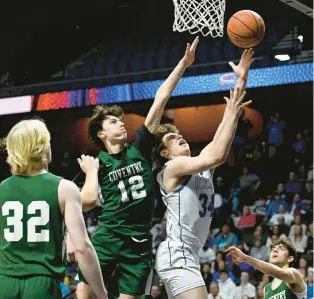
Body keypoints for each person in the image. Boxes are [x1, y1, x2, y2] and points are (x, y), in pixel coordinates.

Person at [70, 37, 200, 299]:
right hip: (107, 236)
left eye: (121, 120)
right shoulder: (96, 163)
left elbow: (160, 99)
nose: (121, 123)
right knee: (83, 294)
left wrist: (183, 64)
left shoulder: (139, 146)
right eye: (113, 122)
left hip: (139, 241)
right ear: (100, 133)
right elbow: (71, 202)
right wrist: (71, 238)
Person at [153, 48, 254, 299]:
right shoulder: (172, 169)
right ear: (164, 153)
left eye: (179, 134)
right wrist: (232, 114)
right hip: (177, 253)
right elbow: (218, 154)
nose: (180, 137)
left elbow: (226, 122)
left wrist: (241, 79)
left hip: (189, 254)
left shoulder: (200, 164)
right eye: (173, 139)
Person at [0, 119, 107, 299]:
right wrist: (101, 293)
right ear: (43, 147)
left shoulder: (2, 188)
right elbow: (83, 248)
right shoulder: (64, 188)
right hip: (41, 285)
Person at [226, 239, 307, 299]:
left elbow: (280, 273)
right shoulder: (266, 289)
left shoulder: (294, 274)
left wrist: (246, 258)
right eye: (272, 249)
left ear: (290, 258)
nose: (275, 250)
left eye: (281, 248)